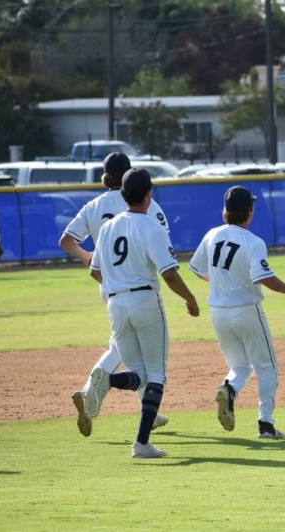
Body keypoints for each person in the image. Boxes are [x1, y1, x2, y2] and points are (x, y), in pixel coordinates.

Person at [87, 168, 200, 458]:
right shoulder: (152, 227)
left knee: (137, 373)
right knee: (157, 374)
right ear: (148, 194)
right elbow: (170, 274)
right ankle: (141, 444)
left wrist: (117, 287)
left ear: (123, 194)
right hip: (145, 300)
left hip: (115, 304)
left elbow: (95, 270)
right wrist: (190, 298)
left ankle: (108, 381)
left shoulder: (109, 227)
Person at [60, 152, 171, 437]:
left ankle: (150, 412)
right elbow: (161, 236)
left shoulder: (94, 205)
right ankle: (90, 391)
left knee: (126, 348)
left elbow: (66, 240)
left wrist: (87, 257)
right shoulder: (144, 202)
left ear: (106, 177)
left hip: (108, 282)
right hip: (139, 284)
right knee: (127, 350)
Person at [189, 186, 285, 438]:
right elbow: (265, 277)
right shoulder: (253, 242)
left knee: (240, 366)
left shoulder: (212, 234)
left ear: (225, 211)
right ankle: (266, 424)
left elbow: (195, 267)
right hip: (247, 311)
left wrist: (220, 282)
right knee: (267, 368)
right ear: (250, 211)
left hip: (219, 313)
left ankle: (229, 389)